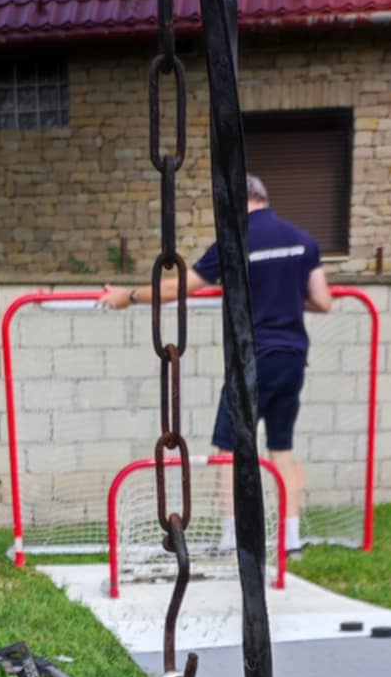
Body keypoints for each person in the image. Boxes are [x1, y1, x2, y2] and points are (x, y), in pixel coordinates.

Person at [102, 174, 332, 554]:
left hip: (251, 360)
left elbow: (176, 288)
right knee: (282, 450)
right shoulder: (302, 240)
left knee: (230, 450)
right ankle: (291, 541)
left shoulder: (234, 240)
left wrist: (127, 296)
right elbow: (322, 301)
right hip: (291, 358)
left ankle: (232, 537)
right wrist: (284, 295)